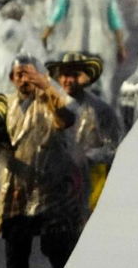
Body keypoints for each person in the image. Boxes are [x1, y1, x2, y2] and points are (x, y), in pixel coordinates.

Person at [0, 55, 81, 268]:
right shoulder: (4, 106)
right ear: (12, 78)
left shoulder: (48, 100)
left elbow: (66, 119)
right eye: (19, 75)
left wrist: (46, 85)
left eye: (28, 74)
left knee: (56, 247)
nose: (23, 80)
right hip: (15, 188)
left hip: (48, 187)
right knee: (16, 249)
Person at [40, 0, 128, 102]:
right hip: (97, 47)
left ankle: (69, 114)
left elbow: (56, 14)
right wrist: (120, 47)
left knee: (67, 86)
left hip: (71, 46)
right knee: (95, 88)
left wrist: (45, 35)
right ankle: (95, 116)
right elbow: (116, 23)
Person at [48, 51, 122, 210]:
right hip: (56, 185)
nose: (68, 80)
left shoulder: (100, 110)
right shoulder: (47, 108)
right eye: (64, 75)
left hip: (90, 184)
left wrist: (87, 157)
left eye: (74, 75)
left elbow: (113, 148)